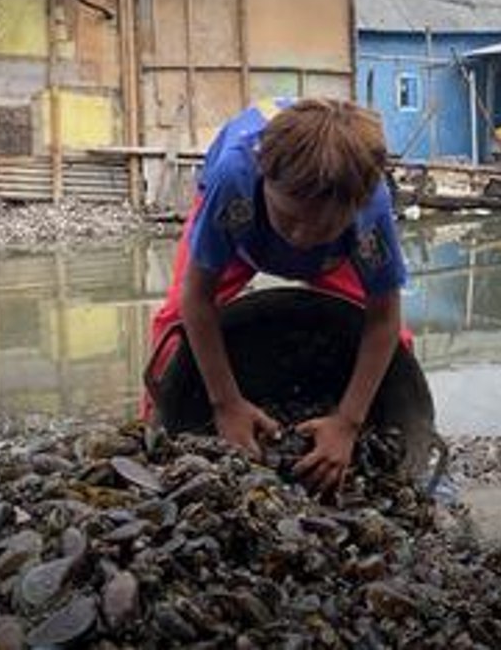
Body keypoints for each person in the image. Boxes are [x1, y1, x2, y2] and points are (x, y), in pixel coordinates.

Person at [142, 97, 409, 493]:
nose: (300, 237)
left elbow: (384, 319)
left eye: (319, 226)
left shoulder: (367, 206)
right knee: (172, 326)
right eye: (290, 219)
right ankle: (150, 438)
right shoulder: (235, 178)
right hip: (247, 231)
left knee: (399, 344)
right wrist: (226, 403)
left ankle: (402, 458)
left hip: (333, 257)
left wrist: (348, 422)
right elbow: (196, 300)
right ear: (265, 176)